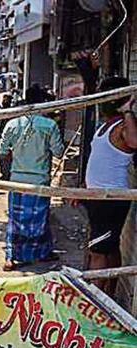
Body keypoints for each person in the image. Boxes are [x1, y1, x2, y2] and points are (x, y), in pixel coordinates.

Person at [0, 84, 64, 271]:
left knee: (15, 219)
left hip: (17, 178)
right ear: (43, 102)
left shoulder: (13, 123)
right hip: (39, 180)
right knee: (38, 219)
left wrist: (16, 156)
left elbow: (3, 150)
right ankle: (37, 253)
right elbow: (59, 151)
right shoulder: (49, 125)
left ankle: (11, 257)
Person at [81, 77, 137, 295]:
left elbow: (133, 142)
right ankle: (109, 295)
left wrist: (128, 110)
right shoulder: (106, 124)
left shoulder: (124, 124)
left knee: (98, 251)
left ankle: (95, 299)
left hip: (110, 199)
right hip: (98, 198)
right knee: (109, 247)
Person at [0, 92, 14, 180]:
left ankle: (8, 174)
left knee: (8, 158)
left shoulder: (12, 112)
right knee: (1, 157)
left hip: (10, 138)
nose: (5, 100)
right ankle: (4, 174)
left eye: (7, 99)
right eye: (4, 98)